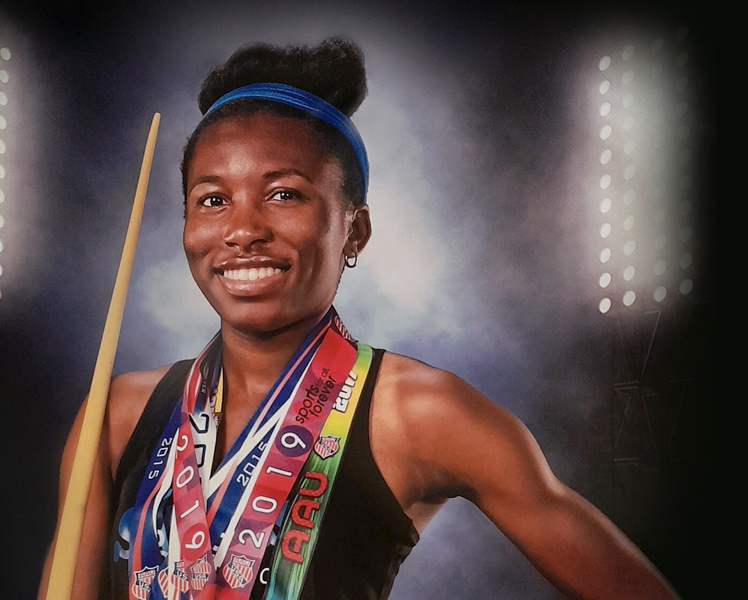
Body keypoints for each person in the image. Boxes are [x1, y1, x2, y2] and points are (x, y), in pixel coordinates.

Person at [39, 38, 679, 600]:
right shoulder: (116, 414)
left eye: (284, 193)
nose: (241, 230)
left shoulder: (419, 413)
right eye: (212, 200)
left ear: (355, 230)